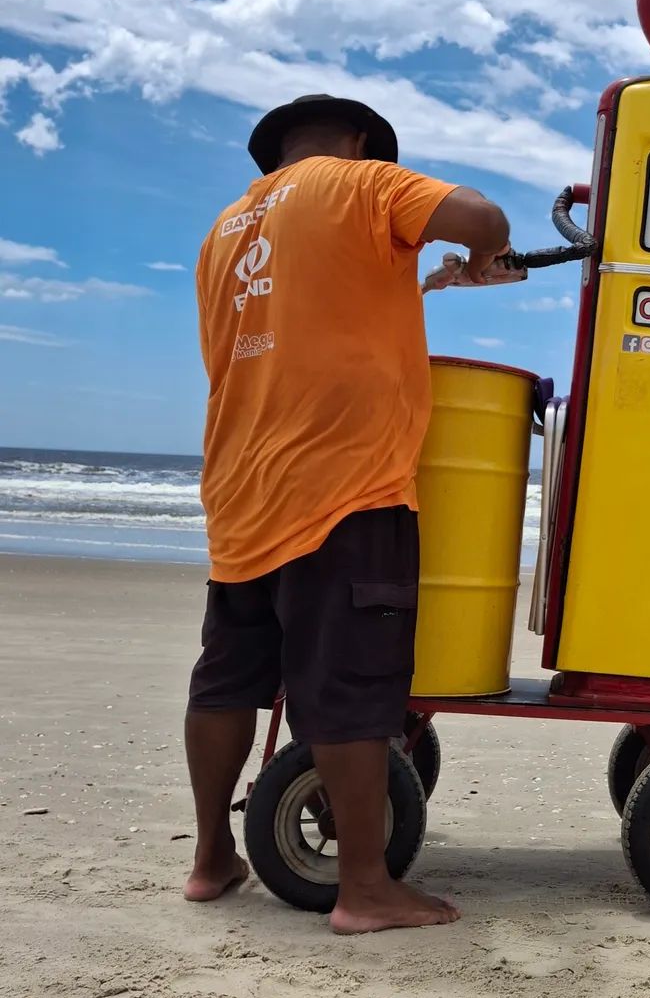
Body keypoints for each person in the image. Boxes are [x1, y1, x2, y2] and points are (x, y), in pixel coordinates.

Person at [183, 94, 509, 933]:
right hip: (344, 481)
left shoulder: (223, 233)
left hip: (240, 485)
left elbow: (300, 329)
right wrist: (484, 257)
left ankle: (211, 857)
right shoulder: (360, 184)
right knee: (352, 687)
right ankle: (364, 887)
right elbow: (482, 213)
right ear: (360, 142)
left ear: (274, 154)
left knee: (228, 676)